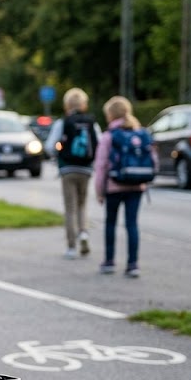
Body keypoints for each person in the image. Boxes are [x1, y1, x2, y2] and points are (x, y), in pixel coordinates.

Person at [93, 95, 156, 278]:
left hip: (114, 186)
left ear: (110, 115)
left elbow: (101, 166)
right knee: (132, 224)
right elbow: (154, 162)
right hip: (137, 186)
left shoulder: (109, 136)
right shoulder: (142, 134)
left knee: (111, 223)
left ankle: (109, 261)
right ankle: (133, 264)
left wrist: (99, 191)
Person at [44, 87, 102, 259]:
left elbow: (49, 146)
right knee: (82, 204)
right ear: (84, 104)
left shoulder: (63, 123)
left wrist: (59, 153)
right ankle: (83, 232)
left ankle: (71, 246)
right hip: (86, 169)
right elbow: (99, 144)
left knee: (70, 208)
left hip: (67, 169)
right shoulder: (92, 123)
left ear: (66, 105)